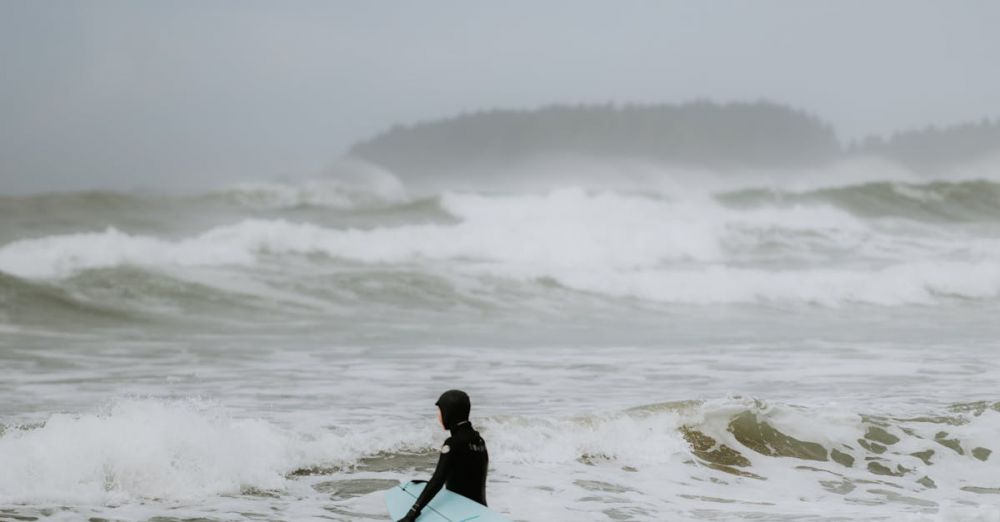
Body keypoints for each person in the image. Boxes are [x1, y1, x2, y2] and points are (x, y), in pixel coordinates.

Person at [397, 389, 489, 522]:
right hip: (481, 511)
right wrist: (426, 485)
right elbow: (468, 477)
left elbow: (438, 481)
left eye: (440, 410)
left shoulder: (453, 443)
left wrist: (412, 513)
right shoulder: (478, 440)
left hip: (459, 514)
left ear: (449, 412)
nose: (438, 416)